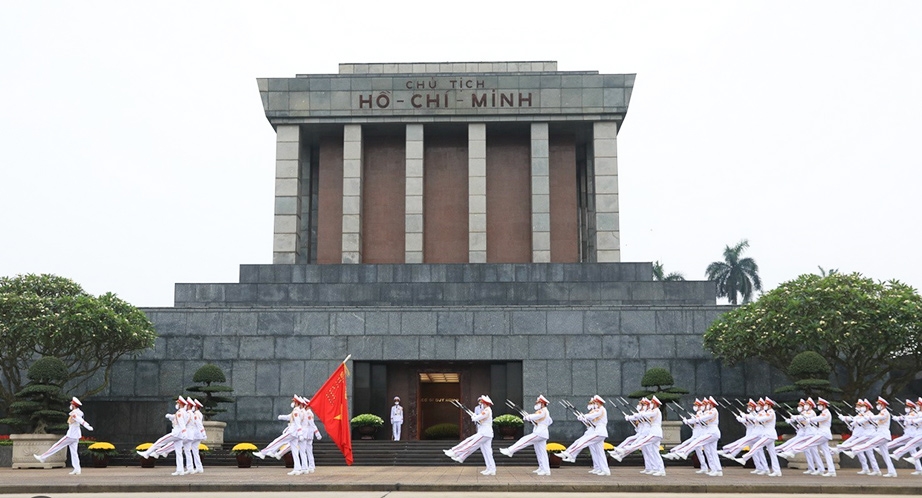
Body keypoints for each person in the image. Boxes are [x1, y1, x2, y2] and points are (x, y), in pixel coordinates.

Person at [663, 396, 721, 476]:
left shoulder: (713, 411)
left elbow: (704, 418)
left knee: (697, 442)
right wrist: (689, 420)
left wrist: (697, 418)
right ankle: (717, 470)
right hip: (709, 432)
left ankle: (684, 452)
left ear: (711, 404)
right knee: (711, 452)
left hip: (712, 432)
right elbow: (701, 419)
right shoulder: (708, 411)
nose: (706, 405)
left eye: (707, 404)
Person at [34, 397, 94, 475]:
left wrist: (87, 426)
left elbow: (79, 420)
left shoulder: (75, 413)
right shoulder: (78, 412)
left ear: (74, 405)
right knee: (74, 453)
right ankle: (77, 469)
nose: (70, 405)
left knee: (56, 446)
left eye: (72, 404)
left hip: (71, 435)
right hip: (75, 435)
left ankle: (43, 457)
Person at [609, 396, 665, 476]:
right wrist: (634, 416)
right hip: (652, 432)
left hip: (653, 433)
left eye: (652, 403)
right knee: (653, 452)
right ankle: (656, 469)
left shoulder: (655, 411)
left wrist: (636, 415)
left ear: (655, 404)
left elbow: (646, 415)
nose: (651, 404)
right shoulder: (652, 411)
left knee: (641, 443)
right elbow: (642, 416)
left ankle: (624, 450)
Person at [555, 395, 610, 476]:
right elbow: (592, 421)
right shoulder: (599, 410)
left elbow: (592, 416)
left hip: (599, 432)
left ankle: (570, 453)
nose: (594, 404)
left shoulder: (601, 409)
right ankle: (605, 470)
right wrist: (584, 418)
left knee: (584, 441)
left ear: (598, 403)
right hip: (599, 431)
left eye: (595, 403)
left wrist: (584, 416)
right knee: (600, 452)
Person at [499, 395, 554, 475]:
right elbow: (550, 421)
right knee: (541, 452)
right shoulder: (546, 411)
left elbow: (537, 416)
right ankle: (544, 469)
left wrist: (528, 417)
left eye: (538, 402)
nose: (536, 403)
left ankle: (510, 450)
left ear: (542, 403)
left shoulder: (542, 410)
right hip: (542, 432)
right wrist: (535, 421)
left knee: (524, 440)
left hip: (539, 432)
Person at [137, 396, 190, 476]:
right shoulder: (185, 412)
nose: (176, 404)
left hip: (176, 433)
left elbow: (181, 423)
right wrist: (171, 417)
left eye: (177, 403)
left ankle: (147, 453)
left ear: (180, 404)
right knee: (178, 452)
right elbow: (179, 420)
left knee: (160, 441)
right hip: (180, 434)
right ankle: (180, 470)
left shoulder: (179, 412)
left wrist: (184, 431)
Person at [443, 395, 496, 475]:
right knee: (486, 452)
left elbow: (476, 418)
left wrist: (474, 416)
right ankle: (491, 469)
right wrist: (475, 416)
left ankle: (456, 452)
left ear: (485, 403)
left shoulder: (486, 410)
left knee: (471, 444)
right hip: (486, 432)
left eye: (482, 402)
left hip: (484, 433)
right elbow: (479, 419)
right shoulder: (487, 410)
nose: (481, 403)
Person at [847, 397, 897, 477]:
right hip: (881, 434)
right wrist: (868, 420)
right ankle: (892, 472)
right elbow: (876, 421)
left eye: (879, 404)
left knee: (869, 444)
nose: (877, 405)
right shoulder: (882, 412)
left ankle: (854, 451)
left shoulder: (884, 412)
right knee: (885, 454)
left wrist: (869, 417)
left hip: (883, 435)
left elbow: (877, 417)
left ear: (883, 405)